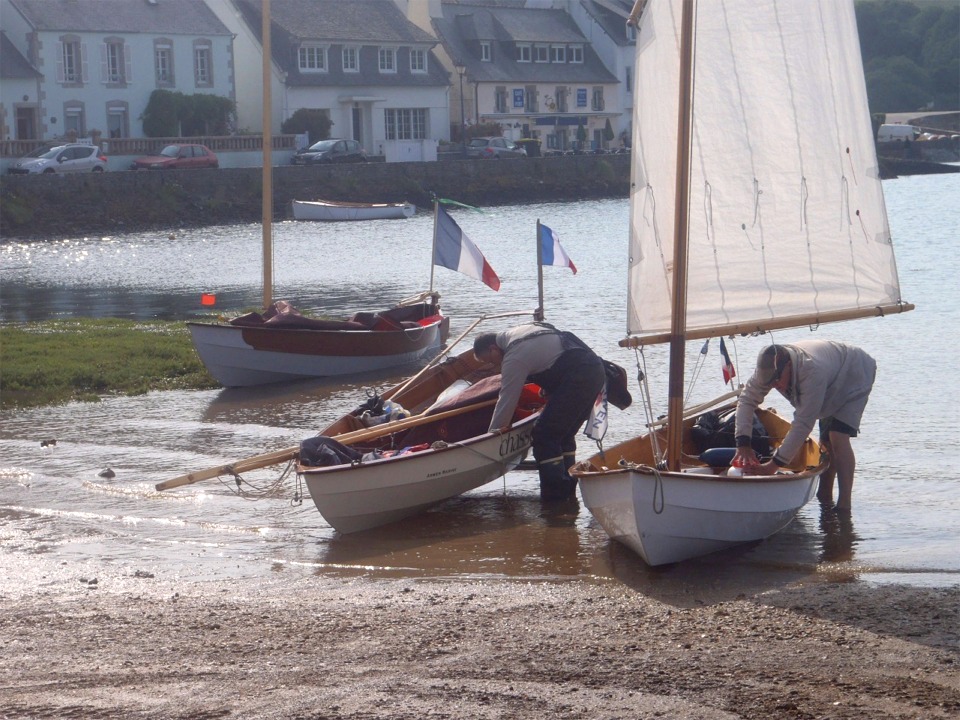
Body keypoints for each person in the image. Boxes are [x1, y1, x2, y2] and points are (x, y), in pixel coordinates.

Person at [732, 340, 877, 512]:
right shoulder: (766, 371)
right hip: (830, 373)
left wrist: (772, 466)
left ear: (788, 366)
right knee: (826, 441)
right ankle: (824, 495)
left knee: (837, 437)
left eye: (777, 380)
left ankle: (844, 505)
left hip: (854, 373)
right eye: (769, 382)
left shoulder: (811, 372)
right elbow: (746, 400)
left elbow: (803, 424)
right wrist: (743, 444)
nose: (774, 385)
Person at [473, 323, 605, 501]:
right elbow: (552, 357)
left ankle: (555, 498)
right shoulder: (523, 330)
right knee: (563, 434)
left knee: (544, 435)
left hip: (579, 377)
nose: (493, 366)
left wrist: (493, 435)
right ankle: (568, 493)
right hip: (595, 370)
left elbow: (507, 398)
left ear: (493, 349)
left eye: (490, 361)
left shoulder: (514, 357)